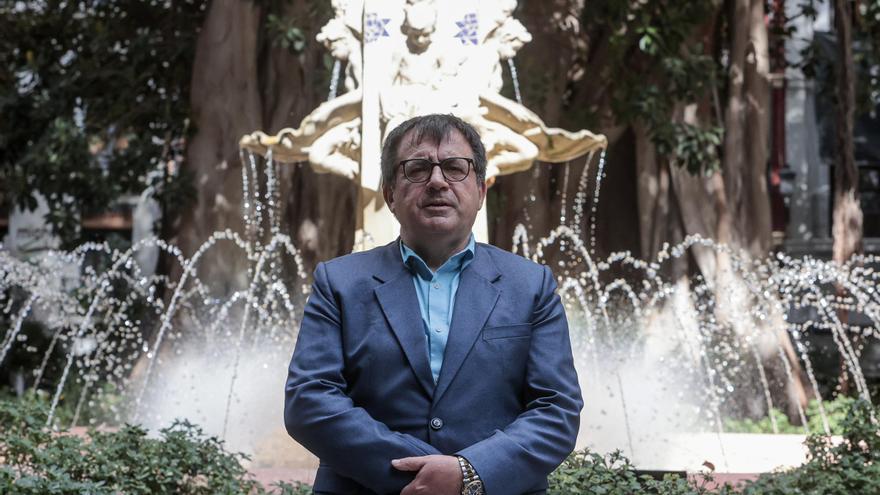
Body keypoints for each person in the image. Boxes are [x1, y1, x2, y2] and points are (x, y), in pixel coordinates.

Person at [284, 114, 583, 494]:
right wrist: (425, 477)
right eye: (417, 169)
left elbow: (556, 409)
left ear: (481, 190)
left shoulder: (531, 285)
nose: (437, 181)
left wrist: (469, 473)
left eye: (455, 168)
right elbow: (309, 401)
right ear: (390, 194)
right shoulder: (339, 282)